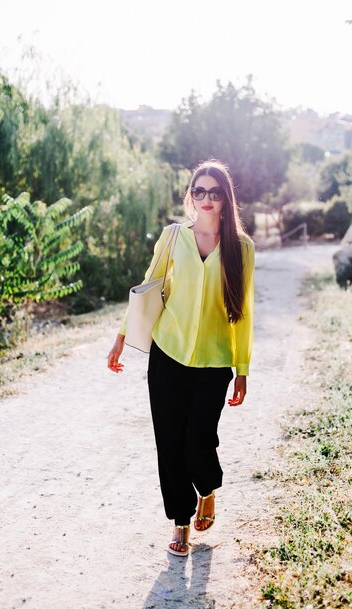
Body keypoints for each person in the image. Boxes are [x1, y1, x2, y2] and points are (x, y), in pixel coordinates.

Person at [107, 159, 255, 557]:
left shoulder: (242, 248)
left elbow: (243, 311)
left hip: (214, 359)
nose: (206, 199)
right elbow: (146, 288)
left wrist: (242, 369)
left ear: (226, 199)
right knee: (169, 443)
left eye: (215, 192)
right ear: (191, 196)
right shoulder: (174, 237)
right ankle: (180, 523)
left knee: (198, 441)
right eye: (199, 191)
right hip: (168, 354)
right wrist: (121, 338)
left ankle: (207, 488)